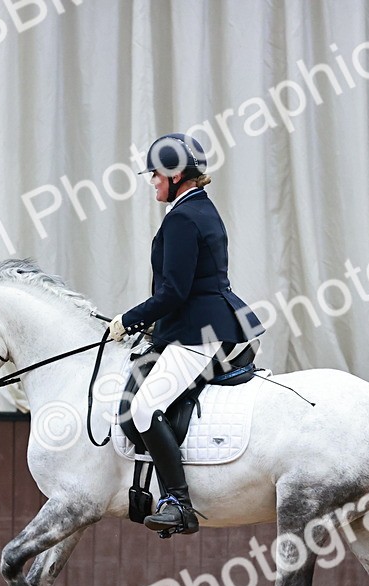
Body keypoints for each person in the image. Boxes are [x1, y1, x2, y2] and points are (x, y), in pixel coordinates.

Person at [107, 133, 263, 535]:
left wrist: (129, 319)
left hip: (198, 332)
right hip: (205, 322)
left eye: (156, 175)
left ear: (176, 175)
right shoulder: (200, 209)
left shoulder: (181, 219)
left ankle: (177, 502)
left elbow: (173, 292)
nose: (152, 182)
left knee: (143, 408)